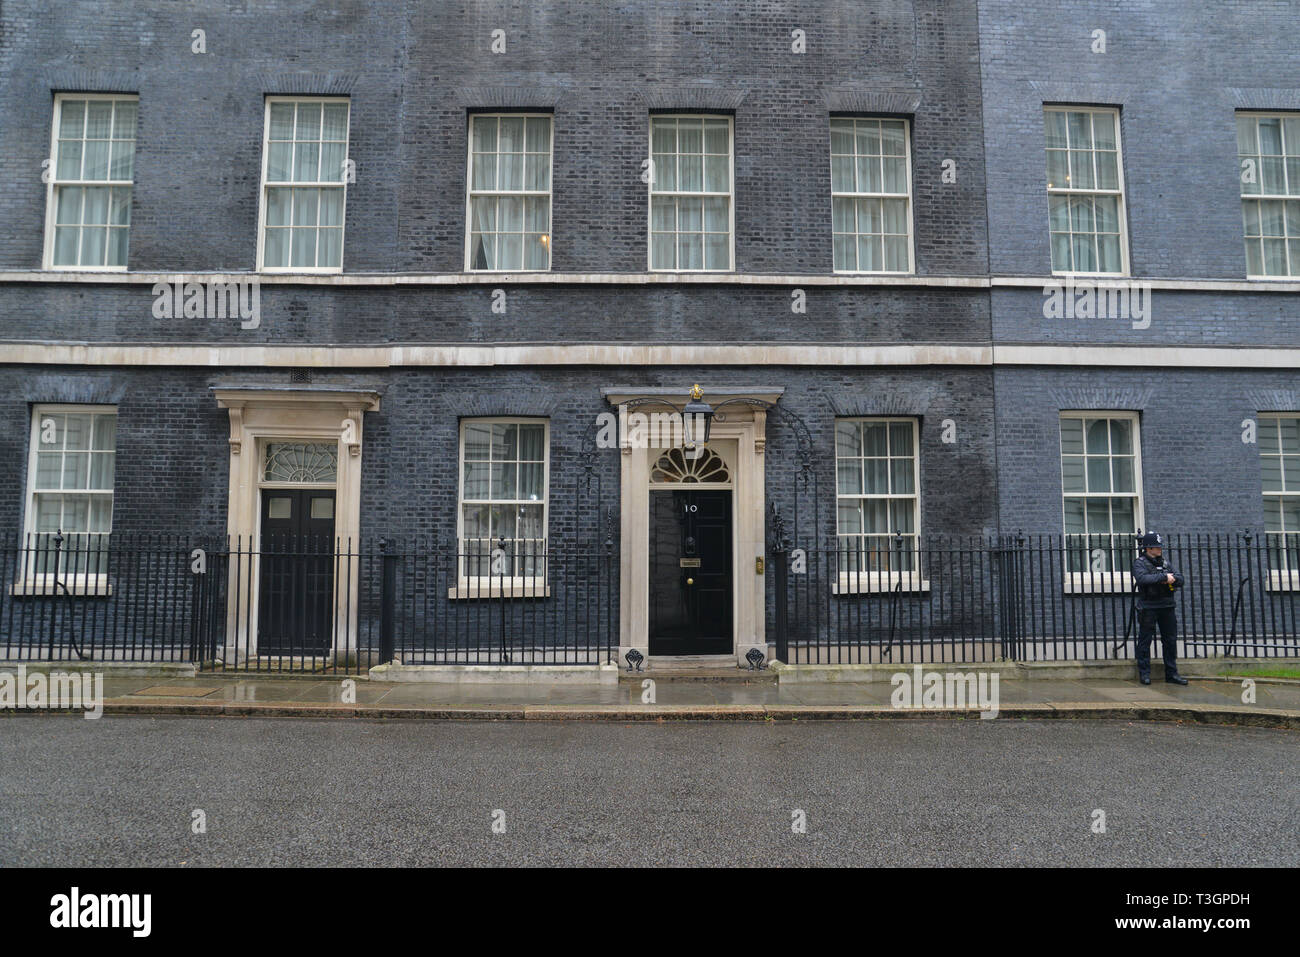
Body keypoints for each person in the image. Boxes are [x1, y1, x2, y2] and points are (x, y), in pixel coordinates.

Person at [1131, 531, 1188, 685]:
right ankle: (1144, 673)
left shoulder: (1165, 563)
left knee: (1170, 641)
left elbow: (1181, 579)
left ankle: (1171, 673)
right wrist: (1163, 577)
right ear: (1149, 548)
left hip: (1167, 606)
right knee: (1145, 640)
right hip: (1148, 606)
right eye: (1157, 546)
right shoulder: (1140, 563)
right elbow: (1142, 578)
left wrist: (1172, 579)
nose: (1160, 549)